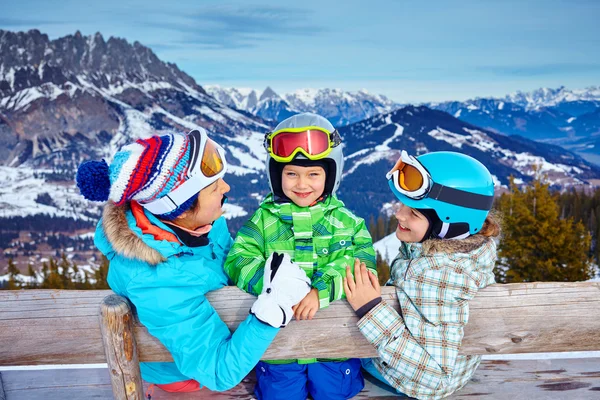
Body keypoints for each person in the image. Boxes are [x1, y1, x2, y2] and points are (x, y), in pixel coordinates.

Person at [75, 129, 311, 394]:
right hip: (185, 379)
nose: (227, 188)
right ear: (181, 209)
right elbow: (219, 372)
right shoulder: (156, 281)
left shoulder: (199, 223)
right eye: (214, 188)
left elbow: (227, 259)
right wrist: (274, 306)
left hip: (220, 336)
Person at [224, 112, 377, 400]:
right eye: (291, 173)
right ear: (276, 175)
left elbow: (362, 266)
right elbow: (238, 259)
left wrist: (321, 292)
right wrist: (275, 289)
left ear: (330, 174)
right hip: (279, 352)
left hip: (334, 349)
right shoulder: (264, 221)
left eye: (313, 174)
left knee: (334, 395)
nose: (301, 184)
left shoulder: (347, 223)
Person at [343, 150, 501, 400]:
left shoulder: (437, 275)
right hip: (462, 367)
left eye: (414, 213)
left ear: (448, 225)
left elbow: (436, 377)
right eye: (403, 205)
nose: (399, 214)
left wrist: (370, 309)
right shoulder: (466, 252)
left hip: (404, 381)